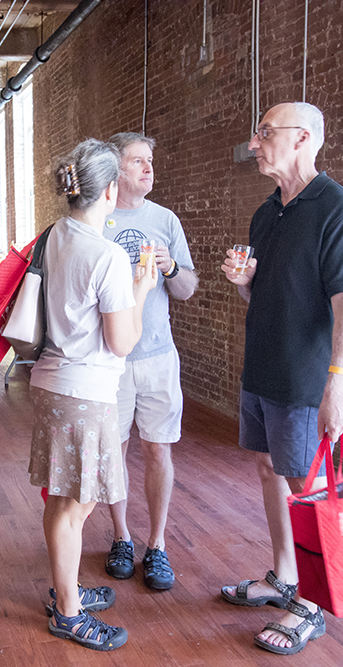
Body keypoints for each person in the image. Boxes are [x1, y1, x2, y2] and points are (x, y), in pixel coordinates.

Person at [220, 102, 343, 655]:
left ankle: (312, 603)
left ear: (303, 137)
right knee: (269, 470)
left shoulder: (337, 207)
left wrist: (338, 388)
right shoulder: (266, 212)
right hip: (262, 368)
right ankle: (285, 576)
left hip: (306, 377)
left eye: (265, 132)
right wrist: (244, 282)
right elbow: (264, 297)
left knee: (309, 489)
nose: (254, 143)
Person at [30, 139, 156, 651]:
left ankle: (66, 591)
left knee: (62, 498)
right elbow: (122, 342)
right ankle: (68, 612)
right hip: (85, 391)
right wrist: (142, 288)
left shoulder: (54, 235)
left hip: (51, 382)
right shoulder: (107, 255)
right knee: (77, 506)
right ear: (109, 190)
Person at [99, 132, 198, 592]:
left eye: (150, 160)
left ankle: (157, 544)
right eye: (138, 160)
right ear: (115, 169)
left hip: (158, 354)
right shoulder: (97, 219)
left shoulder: (165, 219)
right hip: (110, 358)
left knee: (158, 448)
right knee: (114, 449)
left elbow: (187, 289)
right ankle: (121, 536)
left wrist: (171, 268)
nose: (148, 168)